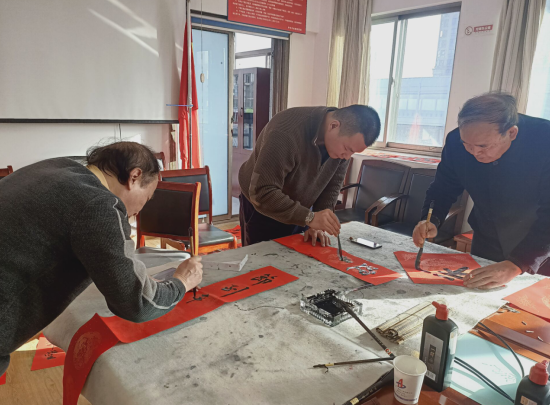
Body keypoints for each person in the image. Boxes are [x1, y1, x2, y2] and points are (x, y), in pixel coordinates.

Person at [0, 142, 203, 376]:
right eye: (147, 198)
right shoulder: (99, 204)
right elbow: (138, 304)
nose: (139, 211)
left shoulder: (56, 166)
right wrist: (182, 282)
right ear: (134, 176)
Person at [413, 93, 550, 289]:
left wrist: (517, 264)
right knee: (475, 294)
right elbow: (443, 187)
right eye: (467, 145)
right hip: (487, 235)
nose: (475, 153)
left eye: (483, 146)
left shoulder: (544, 140)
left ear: (511, 133)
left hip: (539, 244)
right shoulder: (456, 141)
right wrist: (431, 219)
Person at [238, 105, 381, 247]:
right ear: (333, 126)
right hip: (261, 207)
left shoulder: (342, 148)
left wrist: (319, 222)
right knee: (259, 257)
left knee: (296, 255)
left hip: (301, 208)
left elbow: (332, 186)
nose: (347, 157)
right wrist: (310, 217)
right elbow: (262, 192)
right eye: (347, 149)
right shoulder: (285, 131)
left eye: (353, 152)